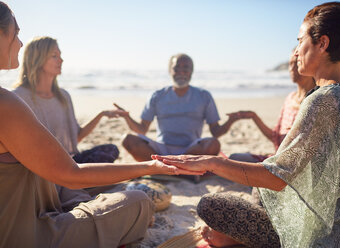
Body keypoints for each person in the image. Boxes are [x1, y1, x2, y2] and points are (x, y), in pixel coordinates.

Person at [154, 2, 340, 247]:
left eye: (300, 41)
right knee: (259, 192)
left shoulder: (324, 100)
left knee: (211, 205)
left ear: (322, 43)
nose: (297, 51)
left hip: (326, 236)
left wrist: (212, 162)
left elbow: (277, 178)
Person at [0, 3, 200, 247]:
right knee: (138, 202)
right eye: (16, 32)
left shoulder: (52, 97)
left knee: (86, 186)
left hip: (41, 194)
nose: (20, 43)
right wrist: (151, 166)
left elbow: (66, 161)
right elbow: (71, 174)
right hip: (25, 234)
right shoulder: (8, 102)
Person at [13, 36, 121, 164]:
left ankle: (77, 181)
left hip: (69, 162)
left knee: (111, 150)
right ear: (38, 59)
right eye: (54, 55)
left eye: (60, 55)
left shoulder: (63, 96)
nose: (61, 60)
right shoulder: (19, 97)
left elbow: (77, 137)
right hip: (42, 166)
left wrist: (101, 114)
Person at [118, 53, 240, 162]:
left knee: (213, 144)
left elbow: (215, 131)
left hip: (192, 149)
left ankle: (173, 166)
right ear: (170, 71)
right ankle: (170, 167)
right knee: (128, 139)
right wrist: (127, 117)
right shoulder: (157, 96)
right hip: (162, 150)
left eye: (185, 68)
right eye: (177, 68)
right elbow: (142, 129)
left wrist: (231, 120)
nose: (181, 72)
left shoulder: (204, 96)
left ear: (191, 71)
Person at [229, 50, 315, 162]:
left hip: (293, 167)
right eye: (290, 64)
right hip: (276, 159)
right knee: (234, 158)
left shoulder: (316, 101)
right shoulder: (290, 98)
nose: (291, 69)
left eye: (296, 63)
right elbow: (276, 137)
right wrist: (254, 117)